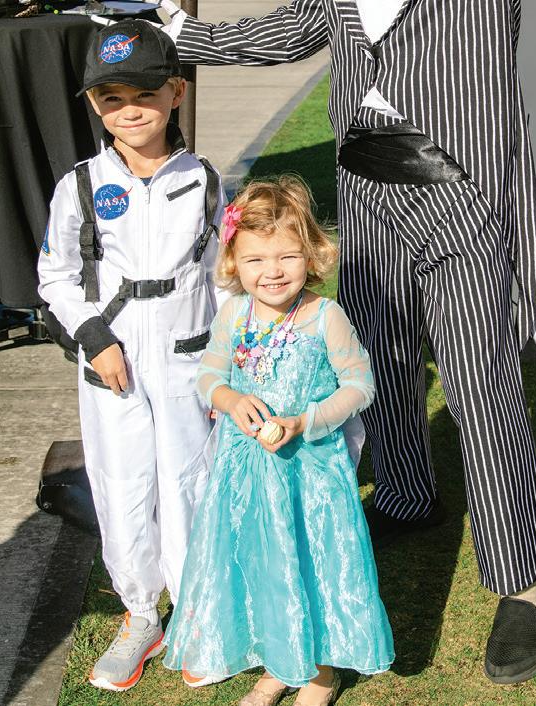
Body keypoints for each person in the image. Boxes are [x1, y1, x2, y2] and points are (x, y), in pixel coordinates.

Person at [146, 0, 536, 685]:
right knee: (382, 358)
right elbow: (291, 29)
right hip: (366, 189)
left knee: (479, 383)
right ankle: (406, 494)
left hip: (460, 188)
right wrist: (181, 34)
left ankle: (524, 581)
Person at [37, 19, 224, 692]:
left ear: (176, 92)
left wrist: (230, 358)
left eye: (145, 92)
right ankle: (141, 612)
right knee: (122, 485)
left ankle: (197, 609)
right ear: (94, 104)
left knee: (188, 482)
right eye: (112, 98)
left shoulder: (204, 181)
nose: (130, 110)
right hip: (110, 364)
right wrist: (94, 338)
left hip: (186, 359)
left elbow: (223, 276)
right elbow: (56, 277)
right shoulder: (80, 186)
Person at [162, 176, 394, 706]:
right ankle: (279, 662)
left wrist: (305, 421)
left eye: (287, 256)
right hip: (246, 475)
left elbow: (360, 385)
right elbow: (207, 376)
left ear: (311, 254)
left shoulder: (324, 317)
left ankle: (319, 673)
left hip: (311, 477)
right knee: (265, 566)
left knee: (313, 566)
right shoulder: (233, 315)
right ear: (232, 262)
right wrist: (229, 399)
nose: (272, 272)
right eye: (255, 260)